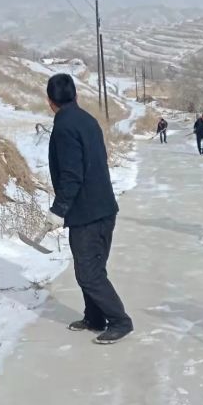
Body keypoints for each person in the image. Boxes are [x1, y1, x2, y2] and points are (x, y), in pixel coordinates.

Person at [46, 73, 133, 344]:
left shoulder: (64, 127)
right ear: (76, 96)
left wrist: (59, 209)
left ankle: (120, 321)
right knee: (94, 268)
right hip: (103, 208)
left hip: (88, 213)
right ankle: (95, 317)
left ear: (49, 101)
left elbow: (72, 174)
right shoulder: (87, 120)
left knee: (88, 272)